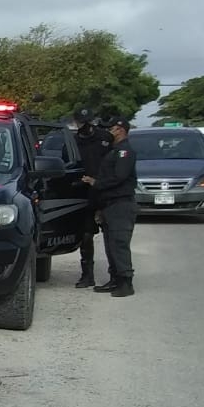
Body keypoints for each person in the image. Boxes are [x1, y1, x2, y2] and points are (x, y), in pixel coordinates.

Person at [82, 116, 137, 297]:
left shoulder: (124, 152)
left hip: (120, 204)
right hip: (109, 204)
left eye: (111, 128)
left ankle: (125, 282)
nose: (108, 132)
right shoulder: (114, 150)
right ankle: (115, 279)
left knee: (119, 243)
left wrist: (96, 182)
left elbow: (119, 177)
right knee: (110, 245)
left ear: (120, 130)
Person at [72, 109, 113, 287]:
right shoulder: (73, 141)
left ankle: (116, 275)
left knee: (112, 235)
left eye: (87, 121)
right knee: (86, 235)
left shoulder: (105, 138)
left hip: (106, 192)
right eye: (82, 122)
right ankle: (87, 275)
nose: (85, 125)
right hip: (84, 193)